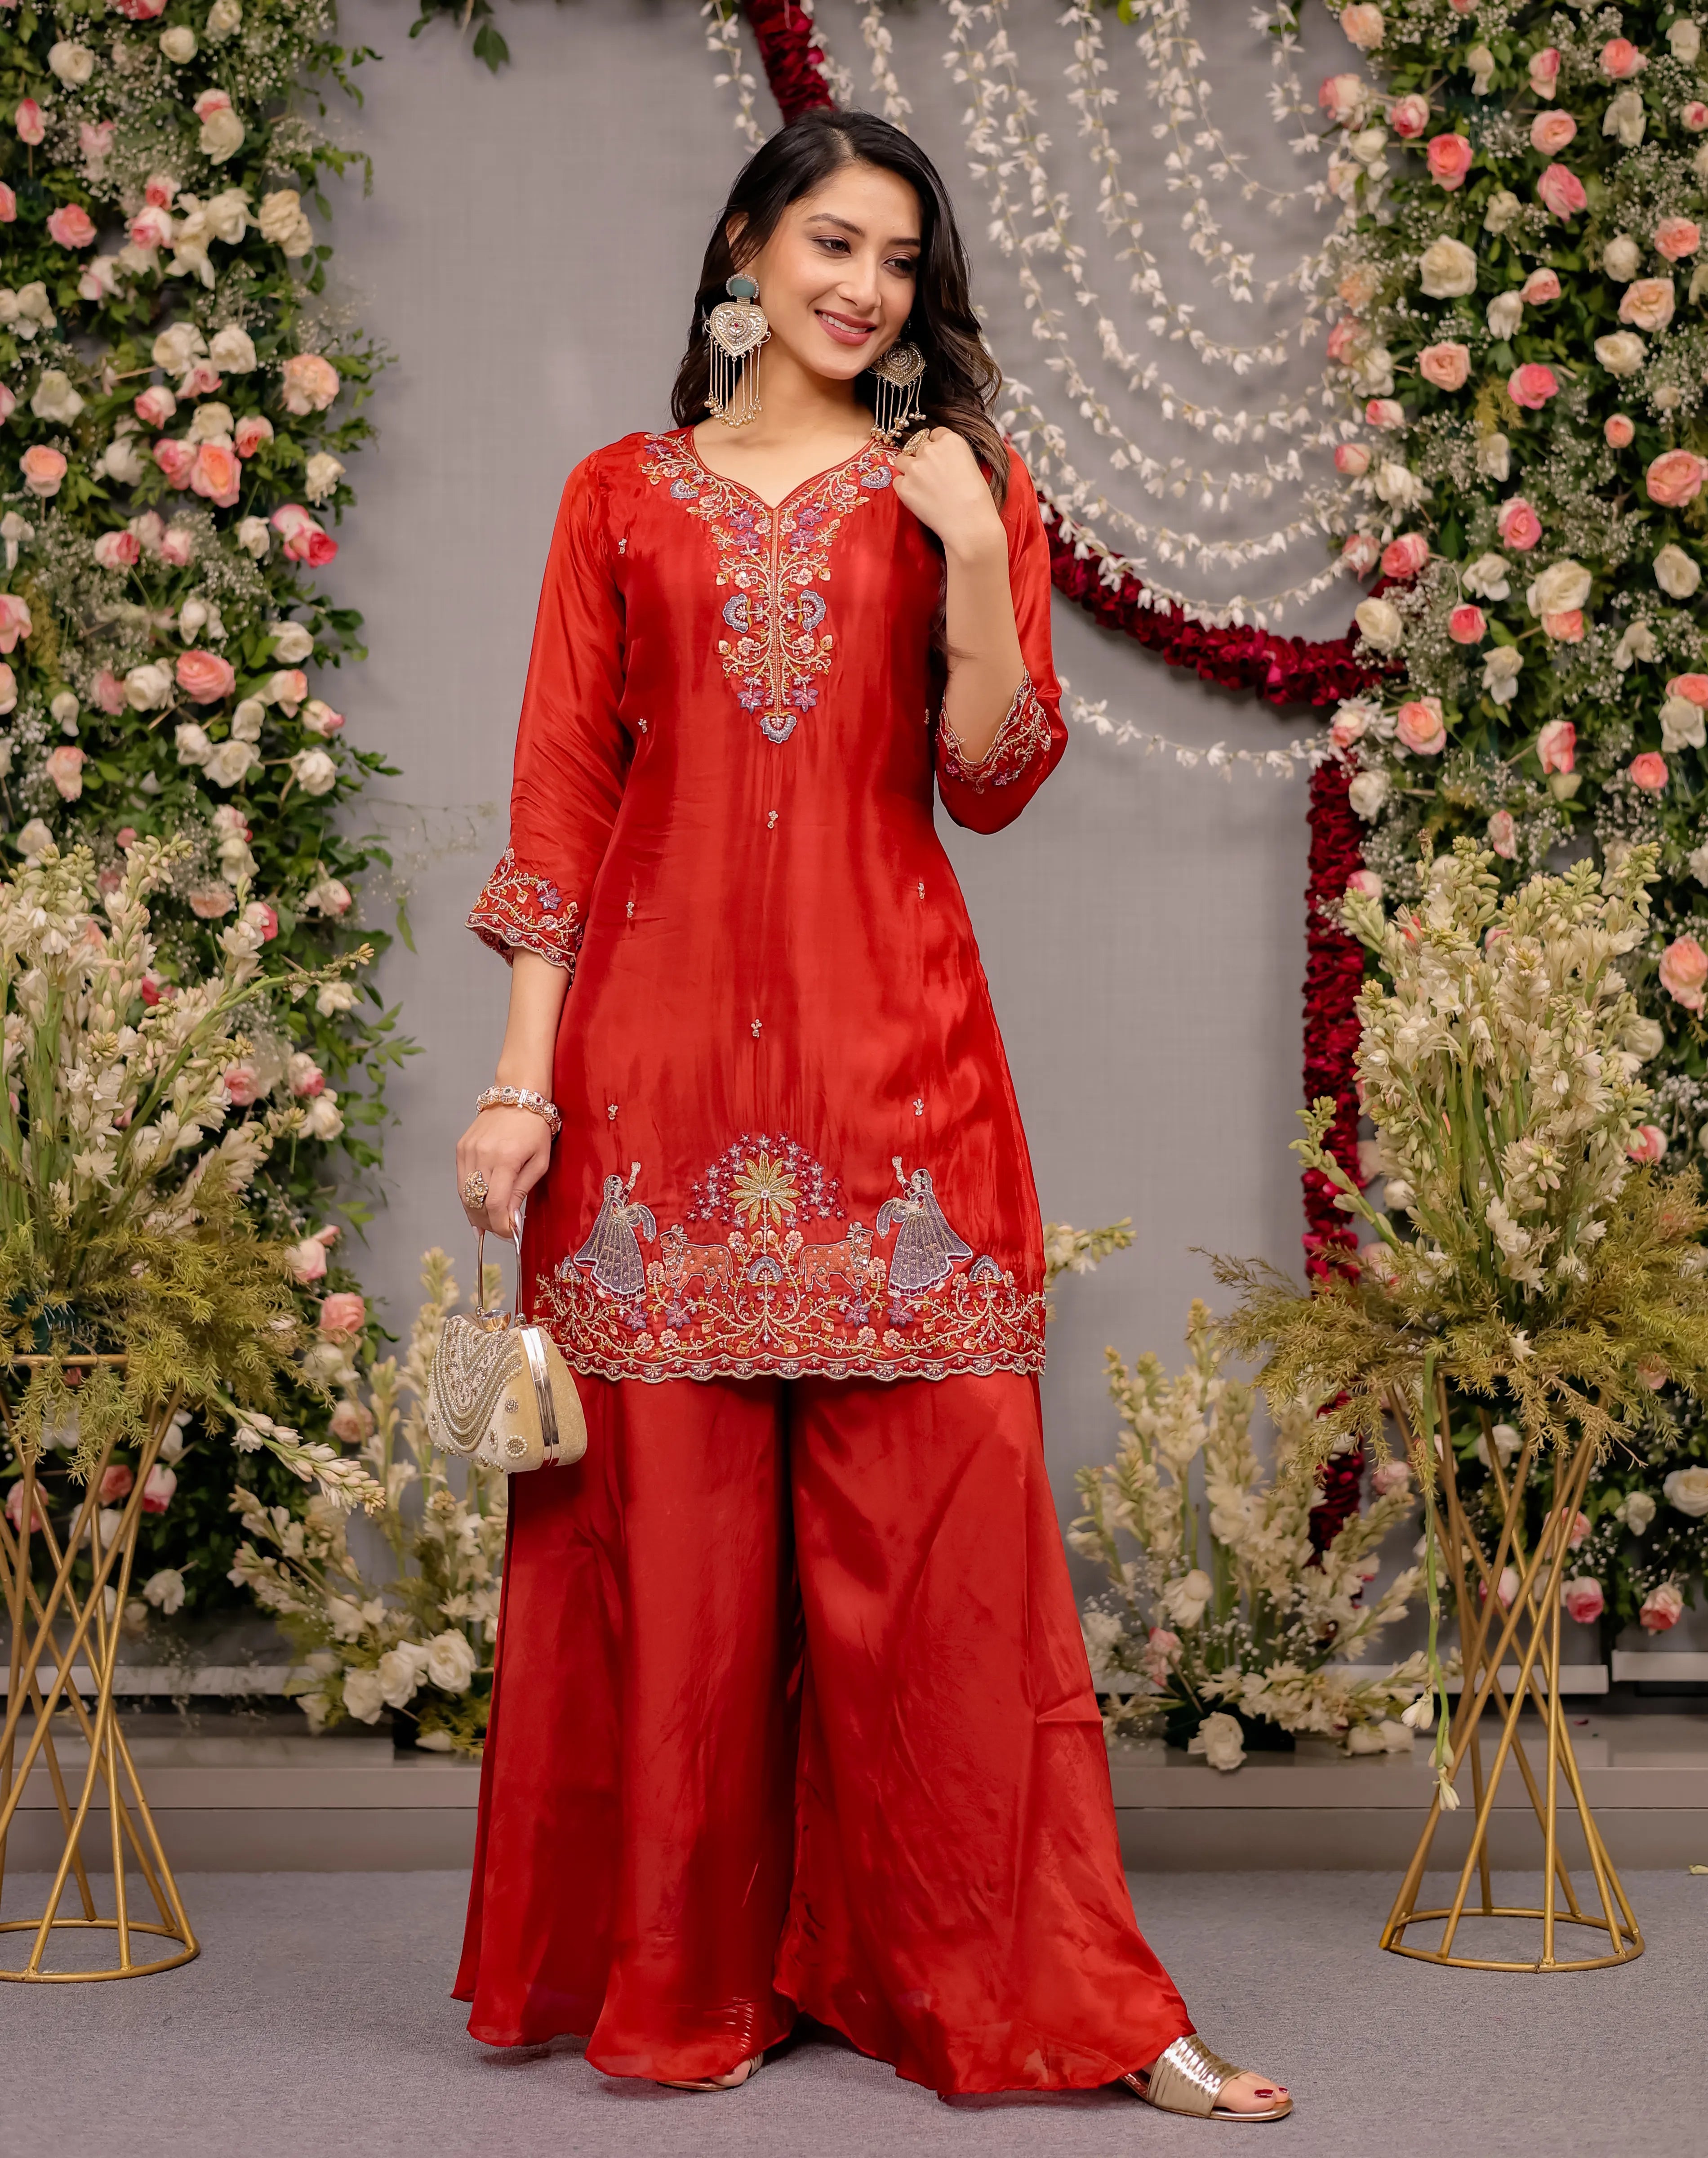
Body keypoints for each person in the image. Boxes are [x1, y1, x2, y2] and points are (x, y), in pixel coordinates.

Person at [450, 109, 1289, 2124]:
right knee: (666, 1561)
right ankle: (690, 1977)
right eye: (832, 242)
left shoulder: (947, 490)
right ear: (744, 242)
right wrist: (514, 1080)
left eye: (901, 261)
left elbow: (992, 777)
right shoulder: (616, 498)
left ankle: (1061, 1996)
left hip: (893, 1082)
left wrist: (985, 550)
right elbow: (562, 804)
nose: (863, 288)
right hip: (648, 1095)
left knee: (951, 1561)